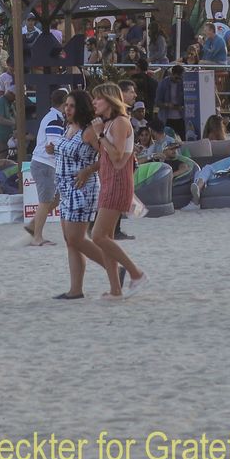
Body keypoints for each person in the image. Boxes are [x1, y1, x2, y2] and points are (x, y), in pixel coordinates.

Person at [85, 83, 147, 298]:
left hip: (118, 182)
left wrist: (101, 135)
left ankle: (135, 273)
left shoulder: (120, 122)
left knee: (98, 236)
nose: (94, 102)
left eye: (98, 99)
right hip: (109, 181)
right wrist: (98, 134)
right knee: (107, 238)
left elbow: (118, 155)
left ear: (110, 101)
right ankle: (115, 289)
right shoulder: (109, 123)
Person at [54, 89, 109, 300]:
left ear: (81, 108)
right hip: (65, 188)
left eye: (72, 106)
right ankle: (75, 289)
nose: (67, 109)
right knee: (70, 241)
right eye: (66, 105)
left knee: (76, 239)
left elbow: (106, 157)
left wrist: (87, 170)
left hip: (82, 188)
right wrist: (54, 150)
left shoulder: (88, 131)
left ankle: (114, 268)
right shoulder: (68, 127)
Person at [24, 88, 68, 248]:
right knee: (45, 201)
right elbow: (52, 147)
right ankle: (37, 237)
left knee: (53, 200)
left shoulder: (53, 117)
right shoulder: (55, 119)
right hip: (45, 164)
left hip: (44, 163)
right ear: (65, 103)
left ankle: (33, 225)